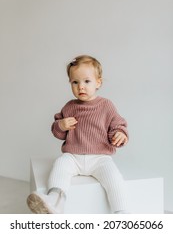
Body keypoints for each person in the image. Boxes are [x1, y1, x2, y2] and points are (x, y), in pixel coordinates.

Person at [27, 55, 129, 214]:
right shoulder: (69, 106)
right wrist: (60, 125)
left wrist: (120, 134)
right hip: (73, 156)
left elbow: (118, 124)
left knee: (114, 179)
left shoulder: (106, 106)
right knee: (60, 166)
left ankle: (122, 213)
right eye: (75, 82)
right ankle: (55, 200)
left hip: (100, 158)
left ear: (98, 83)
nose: (80, 87)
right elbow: (57, 132)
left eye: (87, 81)